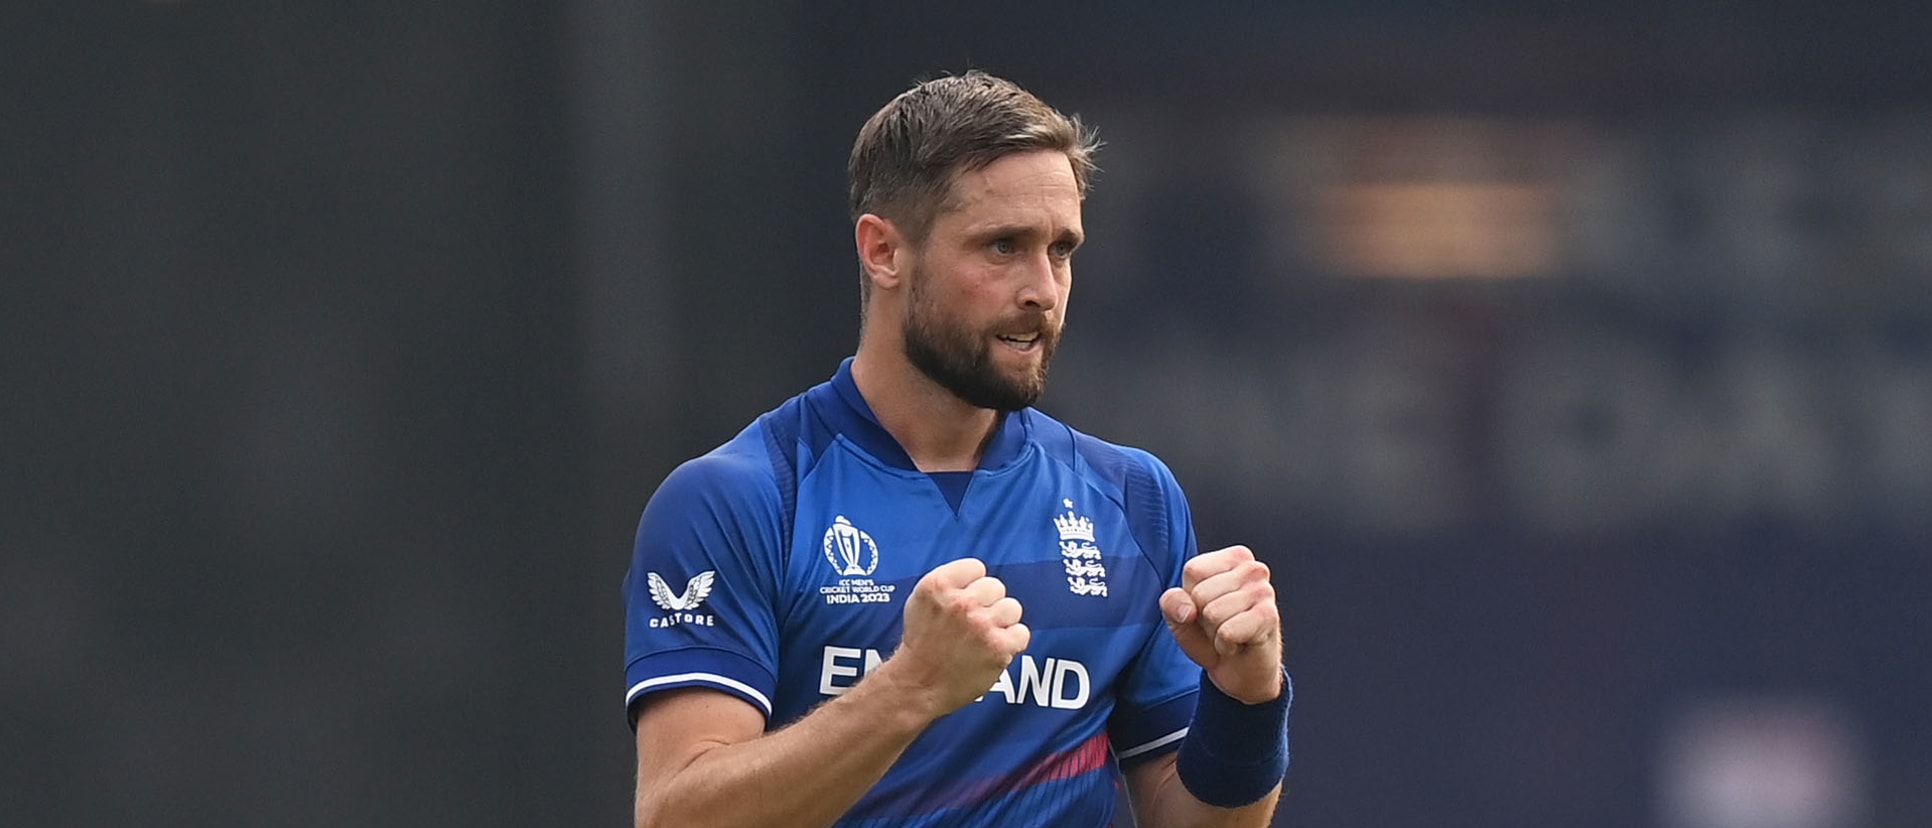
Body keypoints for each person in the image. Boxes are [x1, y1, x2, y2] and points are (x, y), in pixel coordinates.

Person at [622, 70, 1291, 827]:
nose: (1043, 288)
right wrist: (909, 688)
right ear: (883, 252)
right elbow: (678, 816)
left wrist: (1247, 702)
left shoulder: (1133, 499)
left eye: (1061, 249)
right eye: (1002, 246)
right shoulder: (739, 498)